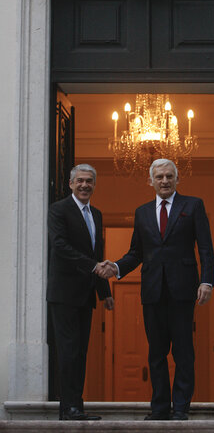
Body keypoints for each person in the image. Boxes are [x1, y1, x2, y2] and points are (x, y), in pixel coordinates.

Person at [96, 158, 214, 421]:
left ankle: (181, 407)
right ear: (151, 180)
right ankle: (160, 407)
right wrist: (115, 266)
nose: (164, 181)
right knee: (156, 353)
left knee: (183, 351)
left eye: (169, 176)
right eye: (159, 177)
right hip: (152, 291)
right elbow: (136, 252)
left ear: (177, 179)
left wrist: (207, 281)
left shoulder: (192, 206)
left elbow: (205, 248)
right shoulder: (142, 212)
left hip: (183, 290)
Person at [47, 163, 114, 421]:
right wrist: (93, 266)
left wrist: (104, 291)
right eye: (80, 181)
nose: (85, 185)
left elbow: (96, 253)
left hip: (85, 295)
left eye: (89, 181)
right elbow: (60, 245)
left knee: (81, 351)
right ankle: (69, 407)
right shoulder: (58, 210)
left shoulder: (95, 214)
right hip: (63, 293)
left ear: (94, 185)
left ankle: (76, 405)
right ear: (71, 184)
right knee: (69, 350)